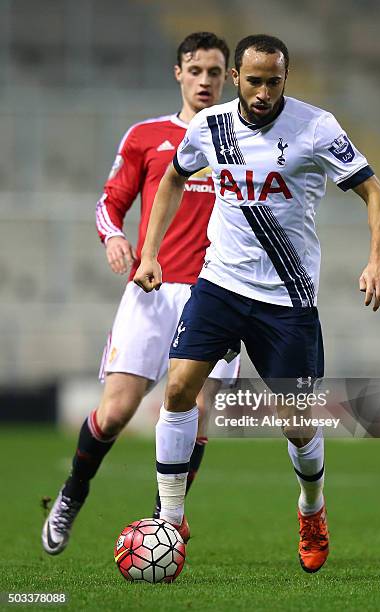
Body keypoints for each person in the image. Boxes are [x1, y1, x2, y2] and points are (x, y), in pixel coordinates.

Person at [134, 34, 380, 574]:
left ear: (285, 79)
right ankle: (169, 521)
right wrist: (150, 252)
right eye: (253, 80)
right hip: (221, 285)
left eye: (273, 81)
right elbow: (173, 180)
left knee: (297, 424)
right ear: (236, 78)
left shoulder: (316, 127)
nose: (263, 91)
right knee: (179, 387)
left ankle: (312, 509)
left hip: (287, 299)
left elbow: (376, 193)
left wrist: (377, 260)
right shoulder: (211, 127)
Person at [42, 32, 239, 555]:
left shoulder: (243, 140)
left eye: (214, 72)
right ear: (179, 73)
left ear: (228, 78)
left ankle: (163, 523)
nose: (204, 81)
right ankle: (71, 494)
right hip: (151, 291)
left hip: (215, 295)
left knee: (195, 411)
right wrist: (115, 238)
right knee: (116, 412)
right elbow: (111, 202)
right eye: (195, 70)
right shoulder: (147, 136)